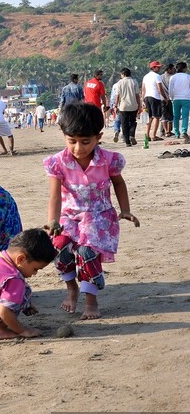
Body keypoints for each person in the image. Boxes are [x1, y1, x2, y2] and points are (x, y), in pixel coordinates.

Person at [44, 103, 140, 320]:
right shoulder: (57, 163)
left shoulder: (109, 160)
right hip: (69, 216)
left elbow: (118, 183)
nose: (78, 148)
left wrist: (125, 210)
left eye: (85, 142)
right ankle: (71, 288)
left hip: (99, 216)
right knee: (59, 248)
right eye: (72, 141)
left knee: (87, 254)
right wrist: (52, 220)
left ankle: (91, 300)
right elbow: (55, 195)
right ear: (64, 136)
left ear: (98, 137)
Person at [111, 68, 141, 147]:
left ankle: (127, 142)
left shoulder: (120, 83)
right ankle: (131, 135)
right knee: (133, 122)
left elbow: (118, 96)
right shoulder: (134, 81)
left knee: (124, 124)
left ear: (123, 74)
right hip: (133, 105)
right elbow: (137, 95)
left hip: (123, 106)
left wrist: (116, 105)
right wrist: (139, 105)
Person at [141, 61, 165, 141]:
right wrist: (164, 97)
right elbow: (160, 88)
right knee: (157, 117)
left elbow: (143, 89)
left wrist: (143, 99)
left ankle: (147, 135)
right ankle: (153, 135)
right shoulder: (157, 76)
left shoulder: (145, 76)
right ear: (153, 68)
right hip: (155, 97)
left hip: (147, 97)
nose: (159, 68)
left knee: (150, 117)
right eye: (158, 67)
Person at [168, 62, 190, 143]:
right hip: (186, 98)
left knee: (176, 116)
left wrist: (171, 98)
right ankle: (184, 131)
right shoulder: (188, 77)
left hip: (176, 99)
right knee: (185, 116)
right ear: (184, 68)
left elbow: (170, 89)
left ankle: (176, 133)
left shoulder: (173, 77)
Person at [0, 90, 15, 155]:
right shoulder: (2, 102)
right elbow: (3, 112)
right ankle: (11, 151)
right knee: (10, 135)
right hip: (1, 118)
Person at [160, 64, 176, 137]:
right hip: (168, 98)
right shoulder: (171, 77)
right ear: (168, 69)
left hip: (161, 98)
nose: (174, 70)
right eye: (173, 69)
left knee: (164, 115)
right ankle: (168, 131)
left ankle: (163, 132)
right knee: (169, 115)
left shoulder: (160, 76)